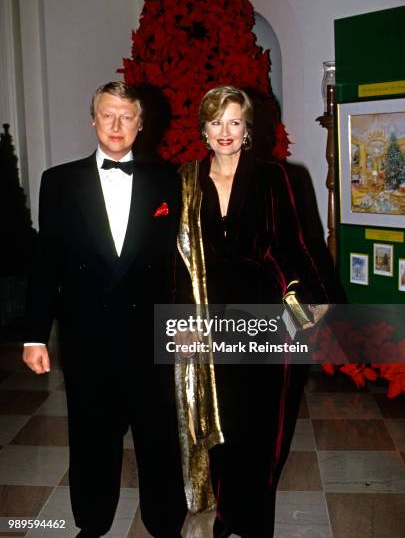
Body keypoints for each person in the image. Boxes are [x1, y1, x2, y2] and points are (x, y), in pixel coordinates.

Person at [22, 81, 187, 538]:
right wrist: (35, 334)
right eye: (107, 115)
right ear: (93, 120)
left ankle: (165, 522)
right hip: (85, 335)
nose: (116, 125)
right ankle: (91, 523)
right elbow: (45, 260)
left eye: (126, 116)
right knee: (91, 435)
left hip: (152, 334)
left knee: (158, 435)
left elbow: (184, 262)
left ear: (140, 123)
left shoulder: (167, 180)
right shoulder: (58, 181)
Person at [176, 85, 329, 538]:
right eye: (216, 122)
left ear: (247, 130)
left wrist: (312, 306)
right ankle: (223, 514)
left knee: (265, 424)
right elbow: (175, 258)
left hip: (270, 316)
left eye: (234, 122)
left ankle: (255, 518)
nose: (225, 131)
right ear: (204, 129)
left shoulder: (278, 177)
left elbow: (302, 246)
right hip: (208, 318)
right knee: (219, 420)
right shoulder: (185, 179)